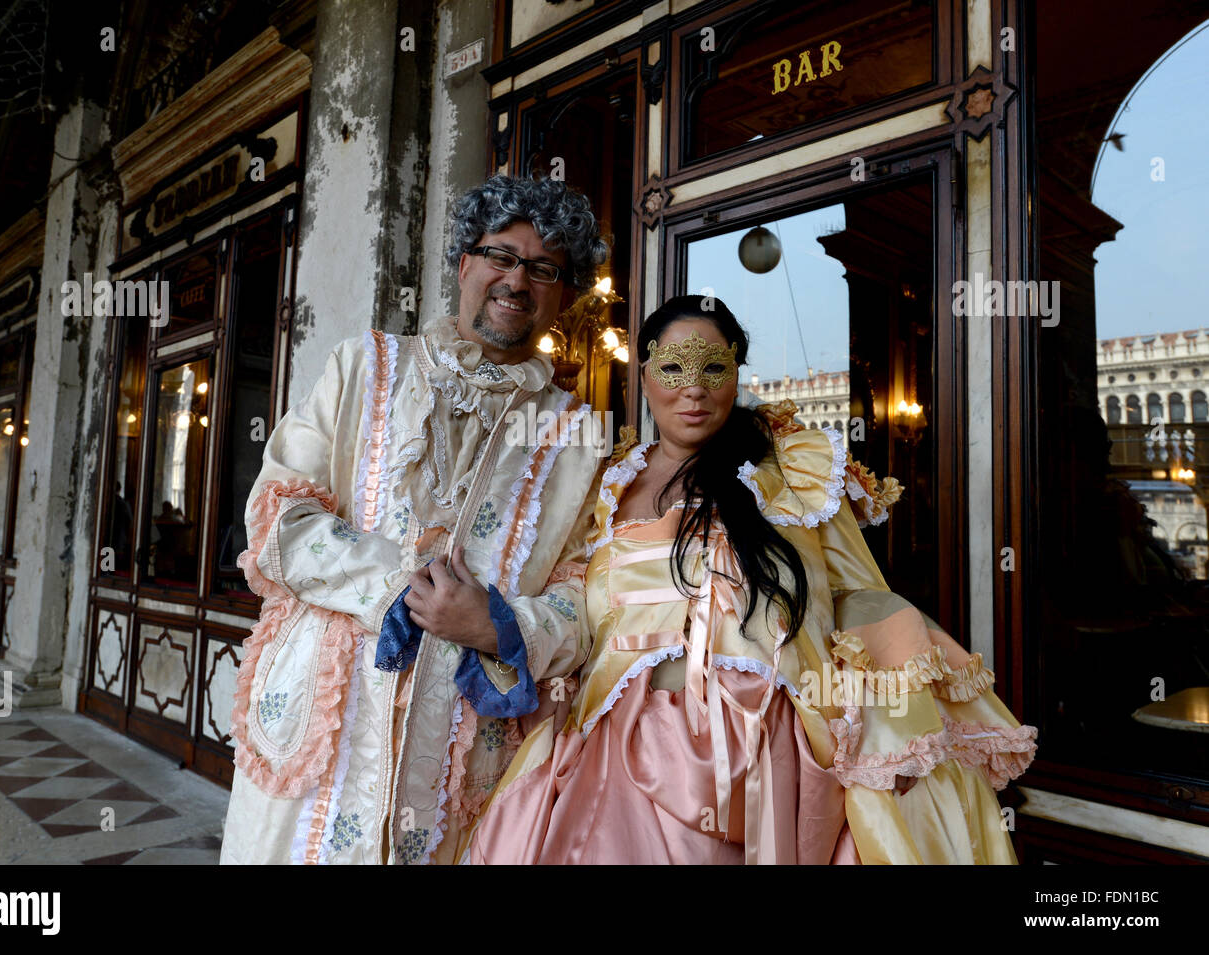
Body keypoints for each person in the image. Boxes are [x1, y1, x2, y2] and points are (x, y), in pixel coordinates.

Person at [466, 294, 1038, 864]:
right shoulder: (605, 489)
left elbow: (854, 598)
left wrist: (892, 727)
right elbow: (584, 617)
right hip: (618, 746)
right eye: (672, 368)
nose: (694, 389)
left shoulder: (791, 471)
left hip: (763, 750)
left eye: (713, 369)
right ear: (643, 378)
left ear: (736, 374)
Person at [219, 175, 610, 864]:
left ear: (564, 295)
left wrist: (497, 624)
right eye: (501, 255)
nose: (517, 280)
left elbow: (590, 599)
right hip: (323, 732)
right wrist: (396, 585)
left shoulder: (581, 438)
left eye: (544, 268)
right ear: (464, 264)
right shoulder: (362, 368)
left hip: (465, 753)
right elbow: (279, 516)